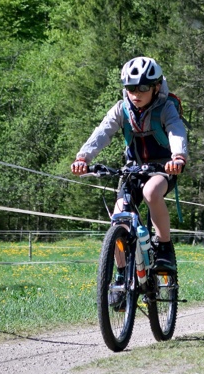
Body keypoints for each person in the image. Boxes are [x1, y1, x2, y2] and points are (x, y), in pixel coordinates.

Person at [71, 56, 188, 275]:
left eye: (143, 87)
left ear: (155, 87)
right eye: (131, 88)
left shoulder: (166, 108)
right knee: (119, 218)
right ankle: (122, 273)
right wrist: (83, 158)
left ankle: (164, 248)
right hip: (133, 169)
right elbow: (102, 132)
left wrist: (178, 157)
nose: (136, 94)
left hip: (163, 168)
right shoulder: (121, 109)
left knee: (151, 192)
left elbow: (176, 130)